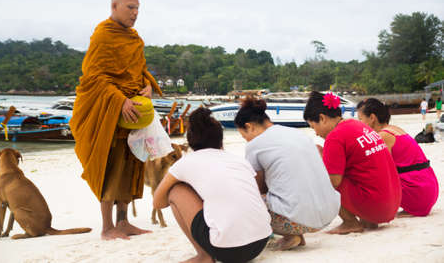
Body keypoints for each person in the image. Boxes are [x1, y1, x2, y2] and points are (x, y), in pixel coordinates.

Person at [70, 0, 163, 240]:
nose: (135, 14)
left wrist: (147, 85)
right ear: (114, 7)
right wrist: (118, 99)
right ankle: (107, 227)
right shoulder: (103, 35)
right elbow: (94, 76)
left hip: (133, 110)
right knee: (110, 164)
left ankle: (124, 222)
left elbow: (140, 70)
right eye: (130, 8)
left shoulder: (134, 39)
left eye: (137, 9)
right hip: (109, 111)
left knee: (130, 162)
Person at [154, 107, 271, 263]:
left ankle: (204, 256)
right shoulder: (239, 161)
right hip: (260, 242)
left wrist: (190, 193)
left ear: (191, 141)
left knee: (177, 190)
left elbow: (158, 202)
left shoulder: (186, 163)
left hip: (228, 251)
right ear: (220, 140)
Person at [234, 97, 340, 250]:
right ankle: (295, 234)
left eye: (244, 136)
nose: (246, 140)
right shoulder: (297, 134)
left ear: (249, 127)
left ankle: (291, 234)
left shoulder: (254, 145)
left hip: (298, 221)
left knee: (246, 199)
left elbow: (257, 188)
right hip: (328, 214)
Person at [303, 91, 401, 234]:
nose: (316, 133)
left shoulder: (334, 136)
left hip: (377, 207)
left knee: (321, 179)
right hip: (391, 204)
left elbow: (334, 182)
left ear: (322, 118)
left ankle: (350, 223)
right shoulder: (358, 125)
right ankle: (368, 221)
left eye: (313, 127)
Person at [357, 98, 439, 216]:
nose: (359, 123)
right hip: (428, 187)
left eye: (360, 119)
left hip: (418, 191)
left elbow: (381, 171)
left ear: (372, 118)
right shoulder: (394, 129)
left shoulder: (382, 136)